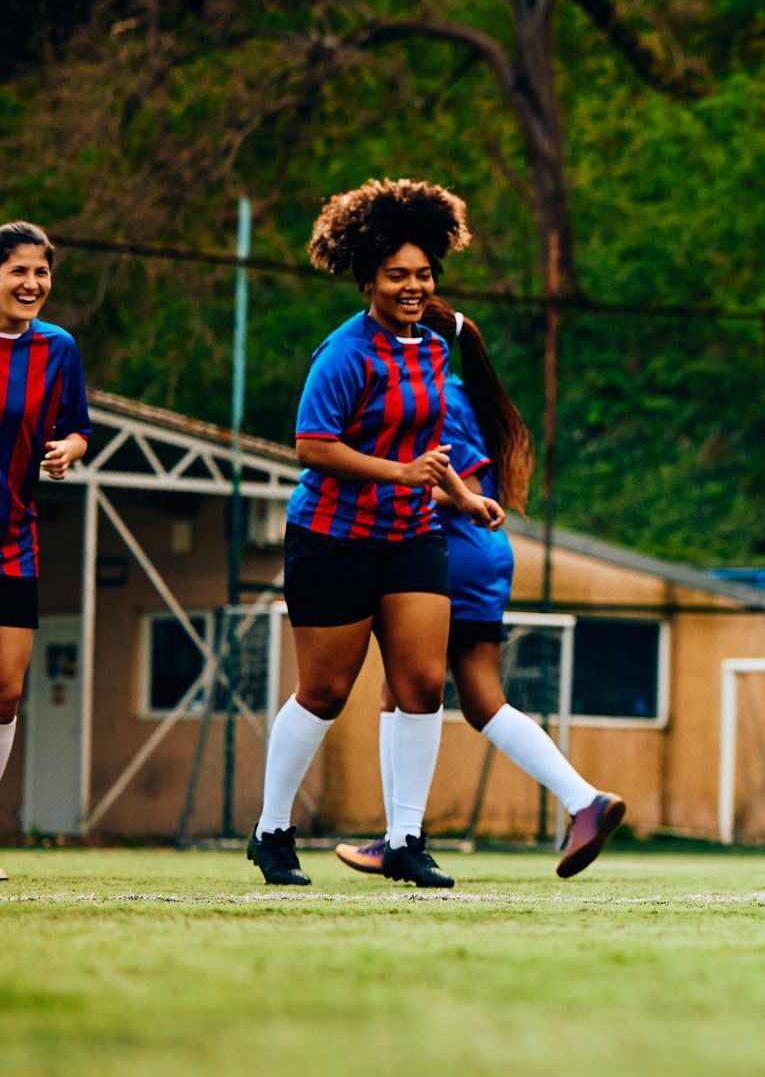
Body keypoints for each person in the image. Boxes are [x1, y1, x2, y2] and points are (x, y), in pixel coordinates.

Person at [248, 180, 504, 889]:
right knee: (325, 690)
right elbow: (313, 446)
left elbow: (427, 450)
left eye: (423, 274)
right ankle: (271, 831)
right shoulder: (344, 353)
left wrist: (463, 497)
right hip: (332, 537)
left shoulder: (433, 349)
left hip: (412, 534)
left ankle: (404, 840)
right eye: (397, 276)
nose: (413, 287)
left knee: (422, 683)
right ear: (369, 280)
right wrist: (401, 473)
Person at [333, 298, 625, 879]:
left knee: (403, 690)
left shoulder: (435, 396)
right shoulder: (458, 391)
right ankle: (584, 801)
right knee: (478, 700)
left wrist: (379, 481)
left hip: (452, 554)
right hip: (480, 556)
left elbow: (461, 485)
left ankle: (399, 838)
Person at [0, 222, 89, 884]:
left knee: (6, 693)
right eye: (18, 271)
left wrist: (68, 450)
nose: (32, 283)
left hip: (15, 542)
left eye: (41, 271)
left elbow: (77, 426)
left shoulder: (58, 349)